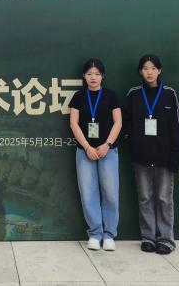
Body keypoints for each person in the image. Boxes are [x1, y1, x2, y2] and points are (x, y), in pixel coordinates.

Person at [123, 54, 179, 255]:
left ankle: (166, 239)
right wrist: (132, 141)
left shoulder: (169, 94)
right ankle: (148, 237)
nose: (149, 72)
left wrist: (176, 155)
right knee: (145, 197)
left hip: (164, 157)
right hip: (141, 157)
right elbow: (125, 121)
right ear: (140, 71)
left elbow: (176, 127)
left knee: (164, 198)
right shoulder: (133, 94)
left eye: (153, 68)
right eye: (146, 68)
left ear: (159, 70)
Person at [69, 58, 122, 251]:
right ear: (84, 76)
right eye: (90, 74)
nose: (93, 77)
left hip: (108, 151)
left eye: (97, 74)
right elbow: (73, 123)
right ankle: (95, 233)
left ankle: (109, 235)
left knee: (111, 193)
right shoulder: (78, 97)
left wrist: (107, 144)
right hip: (85, 152)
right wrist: (87, 147)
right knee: (88, 192)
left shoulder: (111, 95)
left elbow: (118, 122)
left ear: (103, 76)